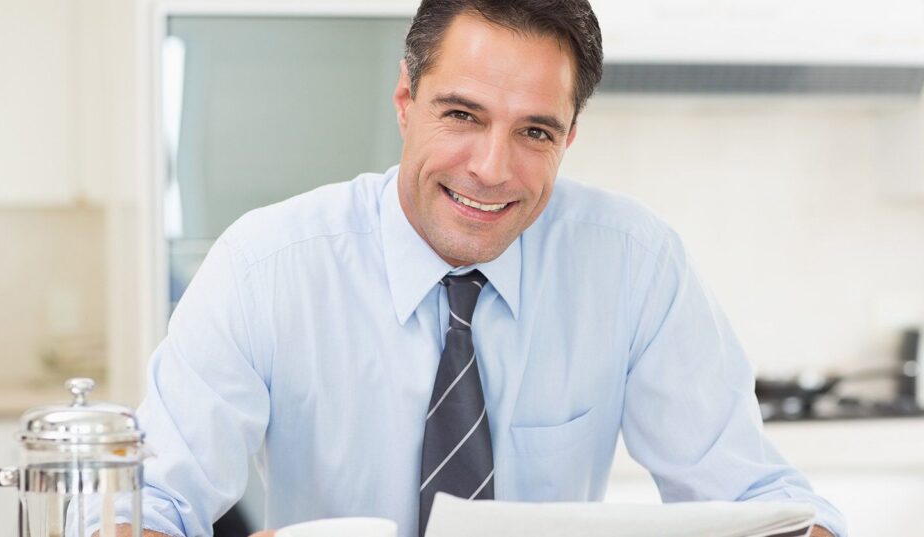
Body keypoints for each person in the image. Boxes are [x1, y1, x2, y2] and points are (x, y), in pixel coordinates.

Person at [125, 1, 846, 536]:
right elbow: (150, 503)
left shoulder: (634, 265)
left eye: (535, 131)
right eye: (462, 115)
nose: (493, 169)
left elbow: (762, 501)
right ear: (405, 101)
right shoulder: (264, 269)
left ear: (569, 137)